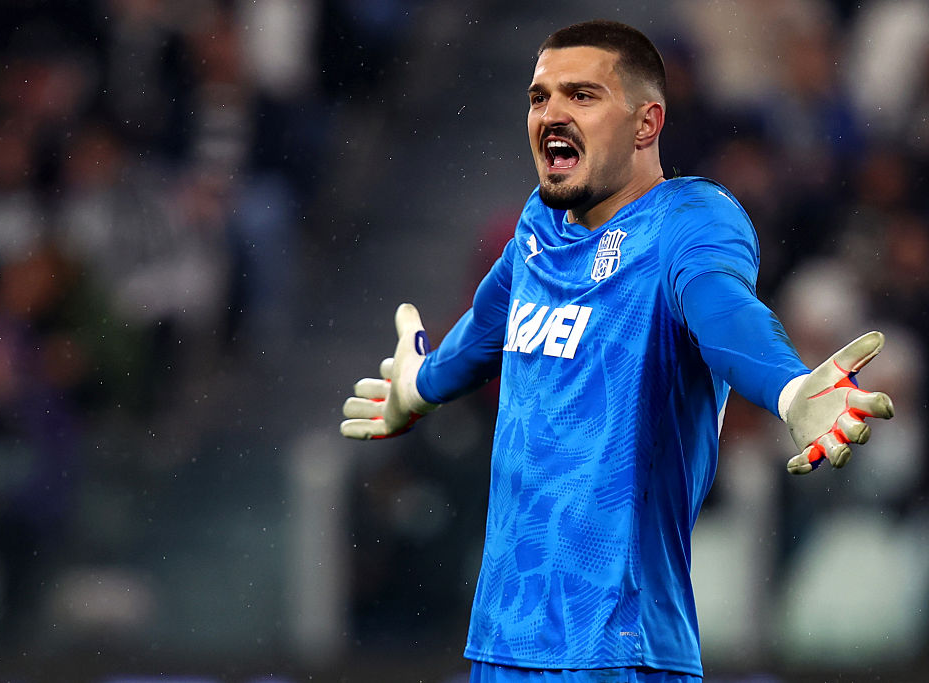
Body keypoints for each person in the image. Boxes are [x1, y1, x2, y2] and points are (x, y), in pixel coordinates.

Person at [339, 20, 895, 683]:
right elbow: (486, 327)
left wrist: (787, 387)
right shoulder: (537, 230)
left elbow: (724, 314)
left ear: (645, 122)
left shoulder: (688, 221)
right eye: (539, 96)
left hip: (618, 647)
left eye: (581, 95)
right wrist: (419, 384)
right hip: (503, 642)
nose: (550, 114)